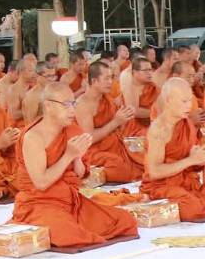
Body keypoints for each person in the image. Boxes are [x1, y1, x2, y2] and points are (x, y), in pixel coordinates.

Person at [10, 83, 140, 248]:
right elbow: (41, 182)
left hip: (71, 202)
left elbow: (79, 174)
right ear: (48, 106)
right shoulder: (33, 137)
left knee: (125, 220)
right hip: (39, 204)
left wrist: (77, 157)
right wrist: (68, 155)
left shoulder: (71, 130)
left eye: (73, 103)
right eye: (65, 105)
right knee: (68, 234)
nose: (72, 110)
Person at [142, 79, 205, 220]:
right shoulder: (159, 129)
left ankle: (194, 201)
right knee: (193, 208)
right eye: (183, 102)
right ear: (168, 101)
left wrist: (202, 159)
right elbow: (155, 172)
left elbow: (191, 165)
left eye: (190, 101)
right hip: (161, 186)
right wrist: (190, 160)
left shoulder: (187, 123)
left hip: (187, 184)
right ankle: (156, 200)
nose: (189, 106)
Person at [75, 62, 139, 183]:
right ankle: (90, 174)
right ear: (94, 81)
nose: (111, 82)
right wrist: (116, 121)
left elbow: (119, 127)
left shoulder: (106, 98)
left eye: (111, 78)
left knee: (143, 155)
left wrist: (125, 115)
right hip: (93, 151)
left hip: (114, 145)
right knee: (122, 169)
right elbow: (89, 138)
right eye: (106, 78)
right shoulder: (83, 104)